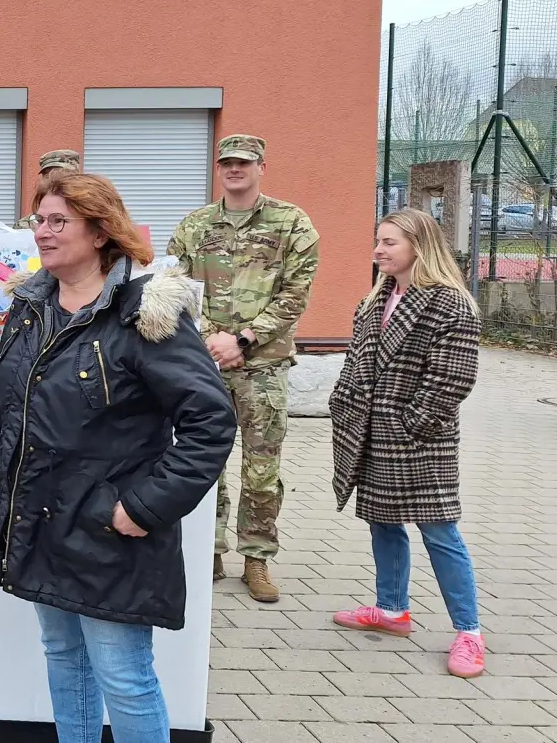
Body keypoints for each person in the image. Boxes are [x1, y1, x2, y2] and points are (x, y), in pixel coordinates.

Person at [0, 173, 236, 743]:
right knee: (63, 655)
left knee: (124, 676)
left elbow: (211, 421)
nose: (42, 231)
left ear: (101, 231)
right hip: (37, 519)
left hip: (108, 532)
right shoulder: (30, 304)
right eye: (38, 219)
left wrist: (141, 507)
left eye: (58, 221)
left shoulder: (146, 315)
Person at [329, 209, 485, 678]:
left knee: (440, 531)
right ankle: (392, 610)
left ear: (420, 246)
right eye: (378, 240)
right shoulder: (376, 300)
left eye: (389, 242)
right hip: (371, 433)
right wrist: (344, 402)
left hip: (419, 440)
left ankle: (470, 632)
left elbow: (452, 380)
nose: (378, 250)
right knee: (383, 521)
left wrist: (409, 424)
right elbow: (357, 362)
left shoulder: (449, 304)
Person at [167, 134, 319, 603]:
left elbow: (297, 291)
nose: (235, 169)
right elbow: (175, 284)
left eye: (244, 163)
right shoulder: (195, 225)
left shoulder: (291, 222)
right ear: (219, 168)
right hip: (205, 362)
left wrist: (244, 339)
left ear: (261, 168)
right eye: (227, 162)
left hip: (263, 365)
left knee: (261, 468)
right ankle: (208, 550)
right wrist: (216, 339)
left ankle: (257, 559)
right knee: (204, 460)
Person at [14, 150, 83, 229]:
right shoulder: (26, 226)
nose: (53, 179)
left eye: (63, 173)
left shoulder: (91, 222)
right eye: (47, 175)